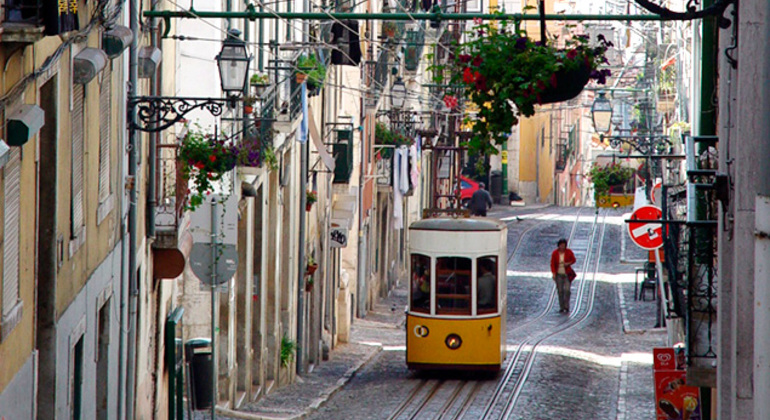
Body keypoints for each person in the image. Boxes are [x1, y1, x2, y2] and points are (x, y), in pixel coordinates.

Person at [550, 238, 577, 313]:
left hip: (567, 274)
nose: (562, 247)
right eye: (561, 245)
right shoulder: (555, 253)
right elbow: (552, 264)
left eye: (564, 245)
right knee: (560, 291)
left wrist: (568, 263)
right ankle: (561, 307)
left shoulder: (569, 252)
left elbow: (574, 260)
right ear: (558, 246)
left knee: (567, 290)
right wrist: (554, 273)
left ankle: (566, 306)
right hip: (559, 274)